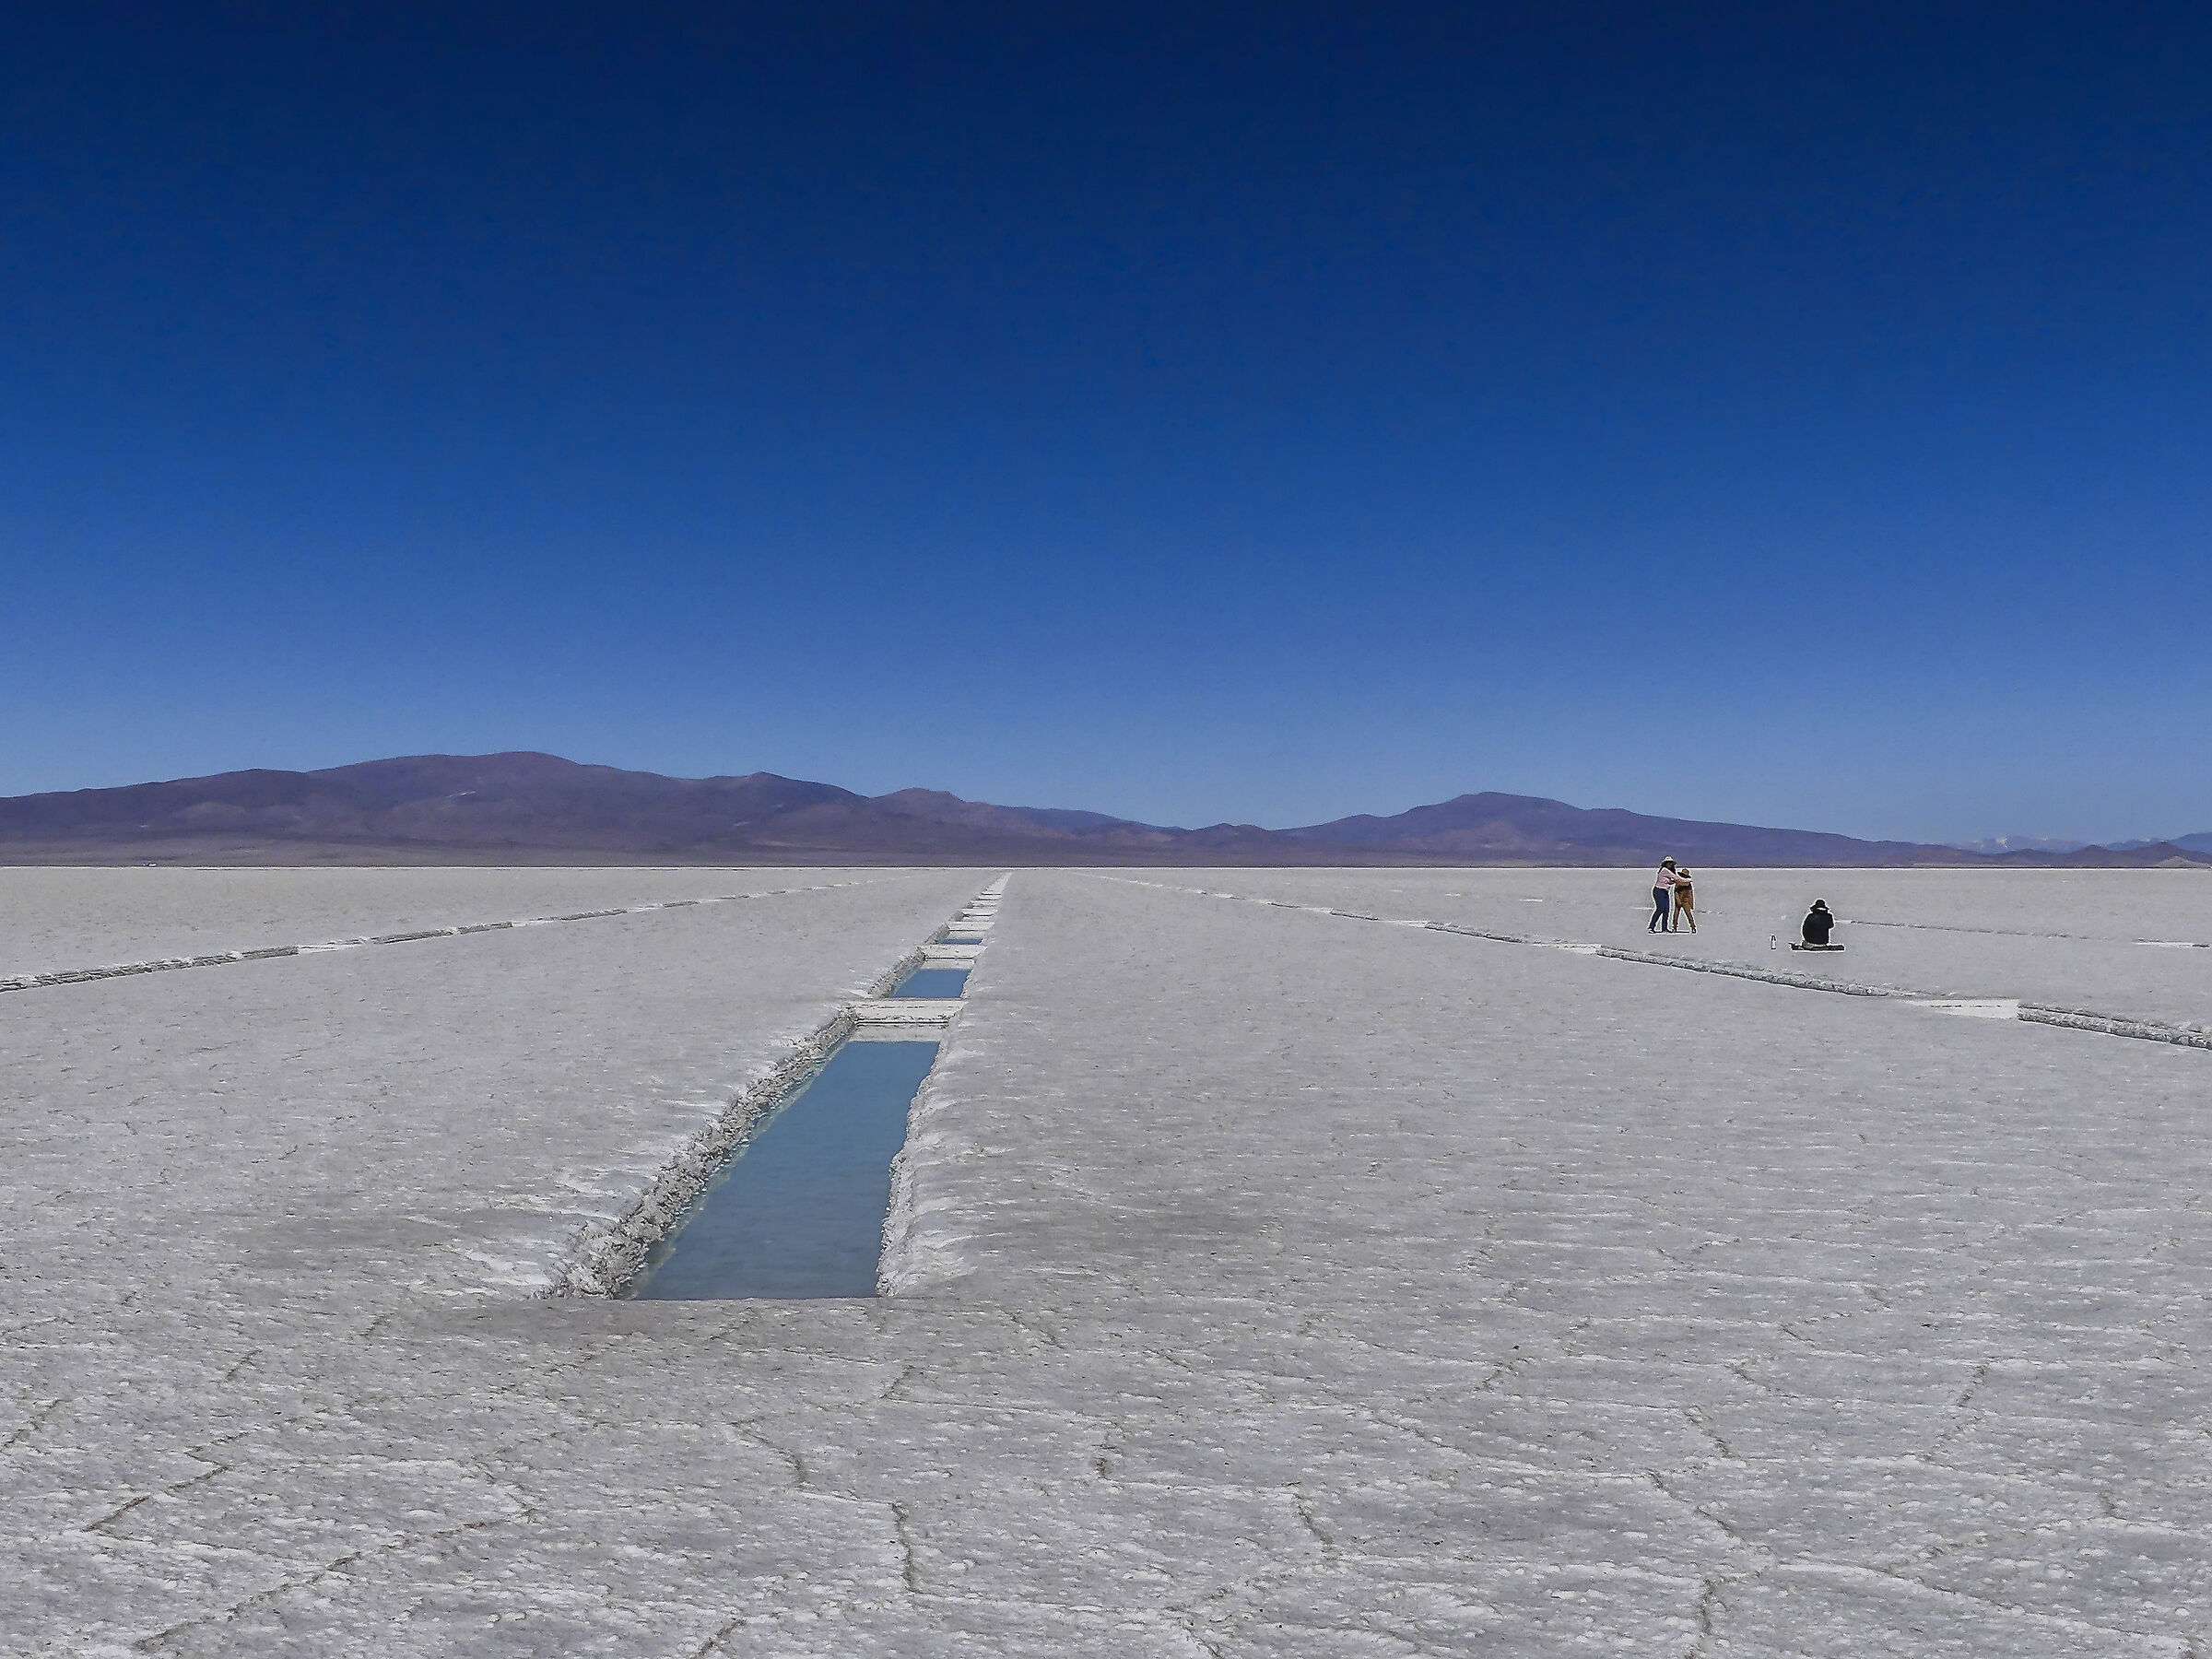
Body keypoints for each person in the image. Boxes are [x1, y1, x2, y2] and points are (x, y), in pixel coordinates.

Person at [1649, 858, 1678, 932]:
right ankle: (1651, 927)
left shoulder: (1669, 871)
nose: (1669, 864)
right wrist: (1688, 880)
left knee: (1666, 910)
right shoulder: (1665, 870)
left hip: (1665, 891)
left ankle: (1664, 928)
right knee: (1660, 909)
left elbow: (1671, 880)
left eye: (1670, 863)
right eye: (1668, 863)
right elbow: (1676, 878)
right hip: (1659, 891)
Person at [1670, 866, 1697, 933]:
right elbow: (1675, 893)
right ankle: (1674, 927)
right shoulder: (1678, 883)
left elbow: (1690, 894)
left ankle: (1693, 927)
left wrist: (1691, 903)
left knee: (1689, 914)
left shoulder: (1688, 884)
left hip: (1686, 901)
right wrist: (1677, 900)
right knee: (1676, 915)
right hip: (1678, 901)